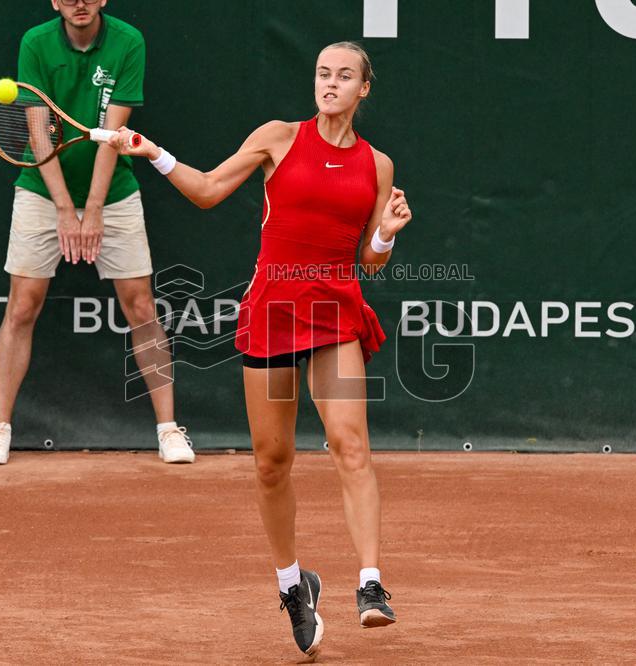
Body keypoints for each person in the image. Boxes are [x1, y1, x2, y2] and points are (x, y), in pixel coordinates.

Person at [110, 42, 413, 656]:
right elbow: (207, 190)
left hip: (332, 314)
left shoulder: (376, 165)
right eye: (323, 73)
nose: (330, 83)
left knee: (350, 443)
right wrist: (153, 153)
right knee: (273, 462)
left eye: (344, 76)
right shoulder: (277, 137)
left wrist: (384, 233)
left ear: (364, 90)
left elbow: (371, 264)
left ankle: (372, 584)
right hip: (275, 314)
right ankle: (292, 585)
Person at [0, 0, 195, 465]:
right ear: (55, 1)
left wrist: (92, 209)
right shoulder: (35, 43)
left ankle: (169, 429)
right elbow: (38, 135)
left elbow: (113, 136)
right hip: (40, 189)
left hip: (113, 192)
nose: (80, 2)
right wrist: (64, 209)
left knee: (141, 305)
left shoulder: (127, 41)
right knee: (22, 305)